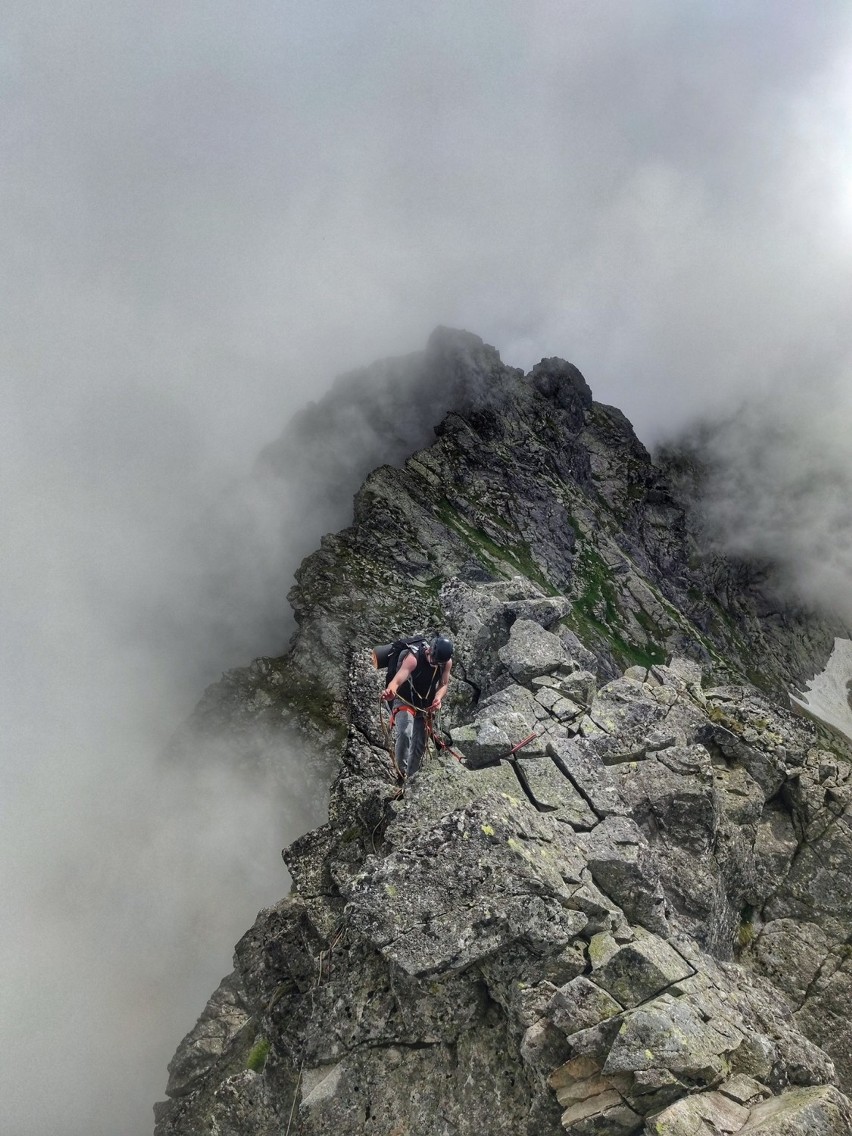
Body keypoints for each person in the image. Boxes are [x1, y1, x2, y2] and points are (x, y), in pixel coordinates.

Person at [381, 636, 454, 778]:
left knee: (420, 742)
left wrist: (438, 698)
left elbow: (444, 684)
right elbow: (397, 680)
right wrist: (391, 692)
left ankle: (411, 777)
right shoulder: (413, 658)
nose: (435, 663)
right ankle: (401, 772)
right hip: (404, 700)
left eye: (438, 662)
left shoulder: (446, 663)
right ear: (429, 650)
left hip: (425, 706)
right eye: (434, 659)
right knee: (405, 732)